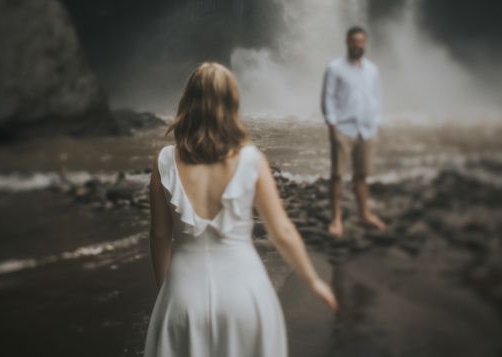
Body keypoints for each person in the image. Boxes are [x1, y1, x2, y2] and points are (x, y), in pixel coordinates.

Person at [144, 62, 338, 357]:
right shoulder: (251, 160)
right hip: (243, 294)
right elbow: (282, 231)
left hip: (184, 295)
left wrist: (166, 291)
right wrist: (313, 281)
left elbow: (159, 236)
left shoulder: (164, 161)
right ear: (231, 103)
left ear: (188, 102)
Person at [321, 26, 387, 237]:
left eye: (361, 41)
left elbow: (376, 97)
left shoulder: (372, 69)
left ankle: (364, 213)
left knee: (361, 175)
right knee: (337, 175)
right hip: (343, 128)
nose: (357, 45)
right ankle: (336, 219)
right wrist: (332, 123)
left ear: (365, 43)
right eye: (353, 41)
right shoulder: (335, 68)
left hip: (367, 130)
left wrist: (376, 122)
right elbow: (328, 98)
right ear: (346, 42)